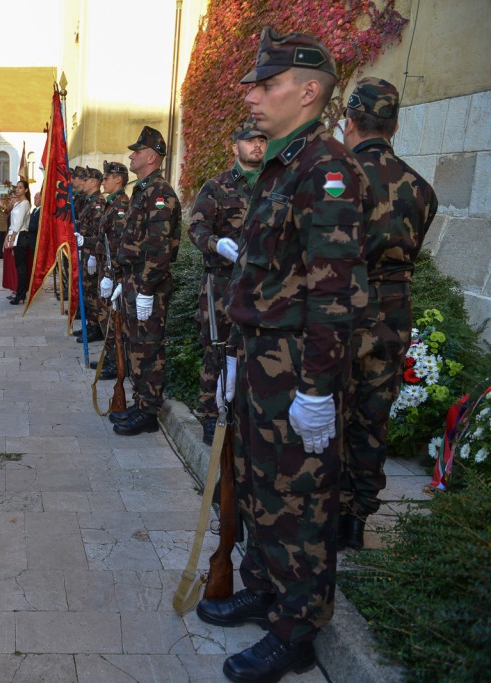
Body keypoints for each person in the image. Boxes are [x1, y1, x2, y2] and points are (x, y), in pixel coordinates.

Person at [196, 29, 370, 683]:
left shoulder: (325, 171)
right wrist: (236, 354)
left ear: (308, 91)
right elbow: (264, 273)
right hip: (260, 361)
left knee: (299, 497)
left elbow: (333, 291)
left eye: (266, 85)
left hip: (297, 369)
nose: (251, 95)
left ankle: (296, 629)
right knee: (261, 486)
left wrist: (318, 388)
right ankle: (265, 589)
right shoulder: (281, 165)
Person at [340, 77, 438, 549]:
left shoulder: (338, 177)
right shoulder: (421, 188)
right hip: (395, 309)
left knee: (327, 407)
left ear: (349, 121)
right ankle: (356, 519)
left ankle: (325, 512)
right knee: (372, 415)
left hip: (344, 305)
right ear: (395, 127)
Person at [187, 118, 267, 444]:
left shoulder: (275, 184)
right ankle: (210, 415)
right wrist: (215, 243)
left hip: (261, 285)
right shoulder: (217, 186)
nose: (257, 145)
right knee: (217, 351)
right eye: (249, 140)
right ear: (235, 147)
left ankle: (246, 417)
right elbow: (196, 228)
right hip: (221, 284)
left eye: (262, 140)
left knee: (255, 352)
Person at [109, 126, 182, 436]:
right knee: (135, 345)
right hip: (134, 279)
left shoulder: (159, 193)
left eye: (137, 152)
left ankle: (148, 411)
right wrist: (122, 280)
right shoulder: (144, 190)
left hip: (146, 283)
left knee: (148, 348)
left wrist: (147, 288)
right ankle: (140, 403)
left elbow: (159, 246)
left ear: (152, 157)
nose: (131, 157)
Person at [91, 160, 131, 378]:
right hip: (106, 268)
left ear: (118, 179)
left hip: (114, 273)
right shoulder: (112, 203)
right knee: (105, 316)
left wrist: (109, 275)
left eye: (106, 178)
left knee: (112, 319)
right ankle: (110, 357)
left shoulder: (121, 206)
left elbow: (118, 245)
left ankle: (117, 363)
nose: (103, 181)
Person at [75, 166, 105, 343]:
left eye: (86, 180)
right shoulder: (89, 201)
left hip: (91, 251)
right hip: (85, 250)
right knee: (86, 290)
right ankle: (90, 324)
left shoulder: (98, 202)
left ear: (94, 182)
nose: (83, 182)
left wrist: (93, 254)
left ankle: (96, 327)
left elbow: (98, 232)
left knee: (92, 291)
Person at [7, 180, 33, 305]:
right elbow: (12, 223)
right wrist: (9, 237)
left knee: (21, 268)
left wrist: (12, 239)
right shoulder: (18, 203)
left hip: (21, 236)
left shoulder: (25, 204)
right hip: (17, 235)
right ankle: (20, 293)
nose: (17, 189)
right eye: (17, 187)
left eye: (20, 187)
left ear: (26, 190)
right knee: (19, 267)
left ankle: (21, 294)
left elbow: (18, 223)